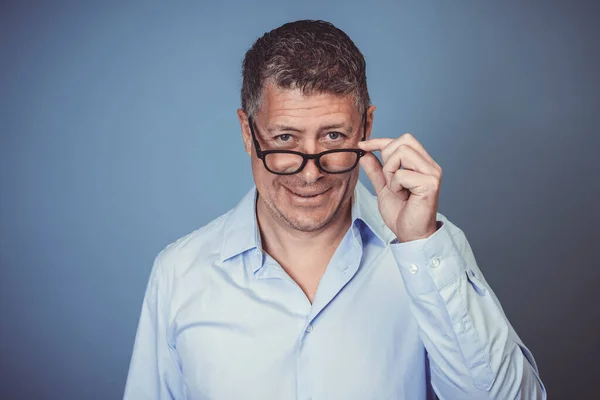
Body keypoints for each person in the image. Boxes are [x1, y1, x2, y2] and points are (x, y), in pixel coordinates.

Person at [124, 20, 546, 399]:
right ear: (247, 133)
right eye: (285, 139)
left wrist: (420, 247)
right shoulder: (178, 275)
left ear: (366, 127)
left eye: (332, 137)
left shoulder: (431, 250)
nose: (310, 175)